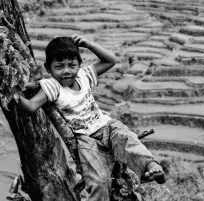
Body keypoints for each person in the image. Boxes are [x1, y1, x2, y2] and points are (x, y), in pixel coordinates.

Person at [14, 34, 166, 200]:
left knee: (128, 140)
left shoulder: (83, 75)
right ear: (48, 68)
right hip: (87, 140)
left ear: (79, 64)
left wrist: (88, 44)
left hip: (107, 126)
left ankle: (150, 166)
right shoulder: (53, 86)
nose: (66, 71)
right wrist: (11, 91)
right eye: (59, 66)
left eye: (72, 65)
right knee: (98, 181)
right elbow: (30, 106)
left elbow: (111, 61)